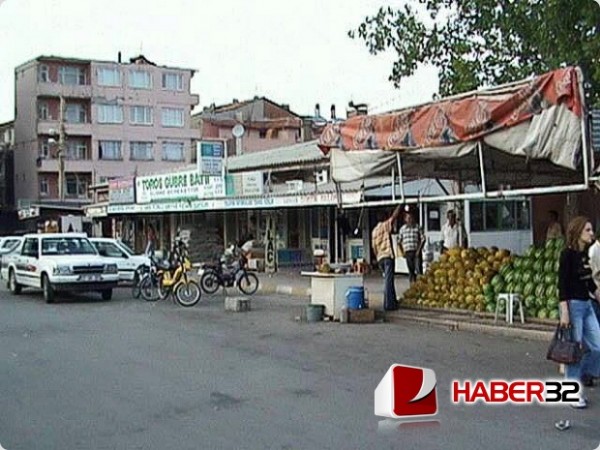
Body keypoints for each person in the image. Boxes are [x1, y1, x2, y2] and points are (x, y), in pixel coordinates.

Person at [558, 216, 600, 407]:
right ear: (578, 232)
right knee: (574, 350)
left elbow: (589, 282)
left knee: (597, 346)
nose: (591, 233)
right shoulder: (567, 255)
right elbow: (562, 285)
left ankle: (577, 375)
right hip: (574, 306)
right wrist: (564, 311)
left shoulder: (584, 255)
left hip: (587, 305)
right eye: (588, 230)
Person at [371, 205, 402, 311]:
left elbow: (374, 247)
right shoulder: (385, 226)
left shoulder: (374, 231)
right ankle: (388, 304)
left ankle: (392, 303)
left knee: (388, 280)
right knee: (388, 281)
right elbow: (394, 217)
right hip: (387, 256)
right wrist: (400, 205)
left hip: (380, 258)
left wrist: (377, 258)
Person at [398, 212, 425, 284]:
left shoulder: (417, 227)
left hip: (416, 252)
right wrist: (402, 252)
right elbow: (399, 241)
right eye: (408, 218)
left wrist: (419, 250)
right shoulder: (402, 229)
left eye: (411, 218)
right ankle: (412, 287)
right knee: (411, 271)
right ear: (405, 219)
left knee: (418, 270)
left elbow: (423, 239)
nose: (410, 220)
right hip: (408, 252)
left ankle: (421, 286)